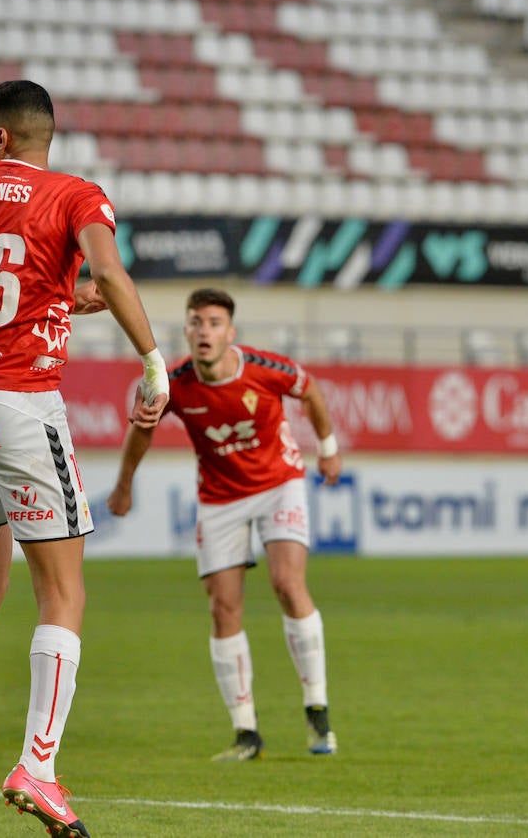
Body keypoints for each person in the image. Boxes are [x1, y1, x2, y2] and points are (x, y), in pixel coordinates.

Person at [0, 80, 168, 838]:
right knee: (63, 590)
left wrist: (58, 297)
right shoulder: (74, 193)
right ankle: (39, 767)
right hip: (21, 401)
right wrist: (152, 360)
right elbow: (111, 271)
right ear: (40, 136)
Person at [107, 287, 343, 761]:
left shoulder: (264, 369)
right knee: (222, 607)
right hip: (220, 498)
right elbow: (142, 429)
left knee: (286, 583)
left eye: (213, 322)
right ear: (187, 331)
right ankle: (246, 733)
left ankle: (317, 709)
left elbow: (310, 388)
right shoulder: (173, 382)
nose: (203, 331)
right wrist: (124, 484)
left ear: (230, 332)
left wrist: (329, 447)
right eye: (195, 322)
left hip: (280, 483)